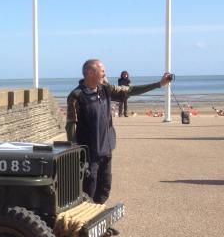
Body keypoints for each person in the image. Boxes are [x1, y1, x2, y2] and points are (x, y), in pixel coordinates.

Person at [66, 59, 173, 207]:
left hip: (106, 150)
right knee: (88, 189)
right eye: (102, 71)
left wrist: (159, 84)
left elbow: (130, 91)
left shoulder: (105, 89)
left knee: (104, 189)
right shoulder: (76, 96)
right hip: (89, 153)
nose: (105, 74)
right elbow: (71, 125)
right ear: (90, 73)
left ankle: (98, 220)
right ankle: (85, 224)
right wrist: (74, 152)